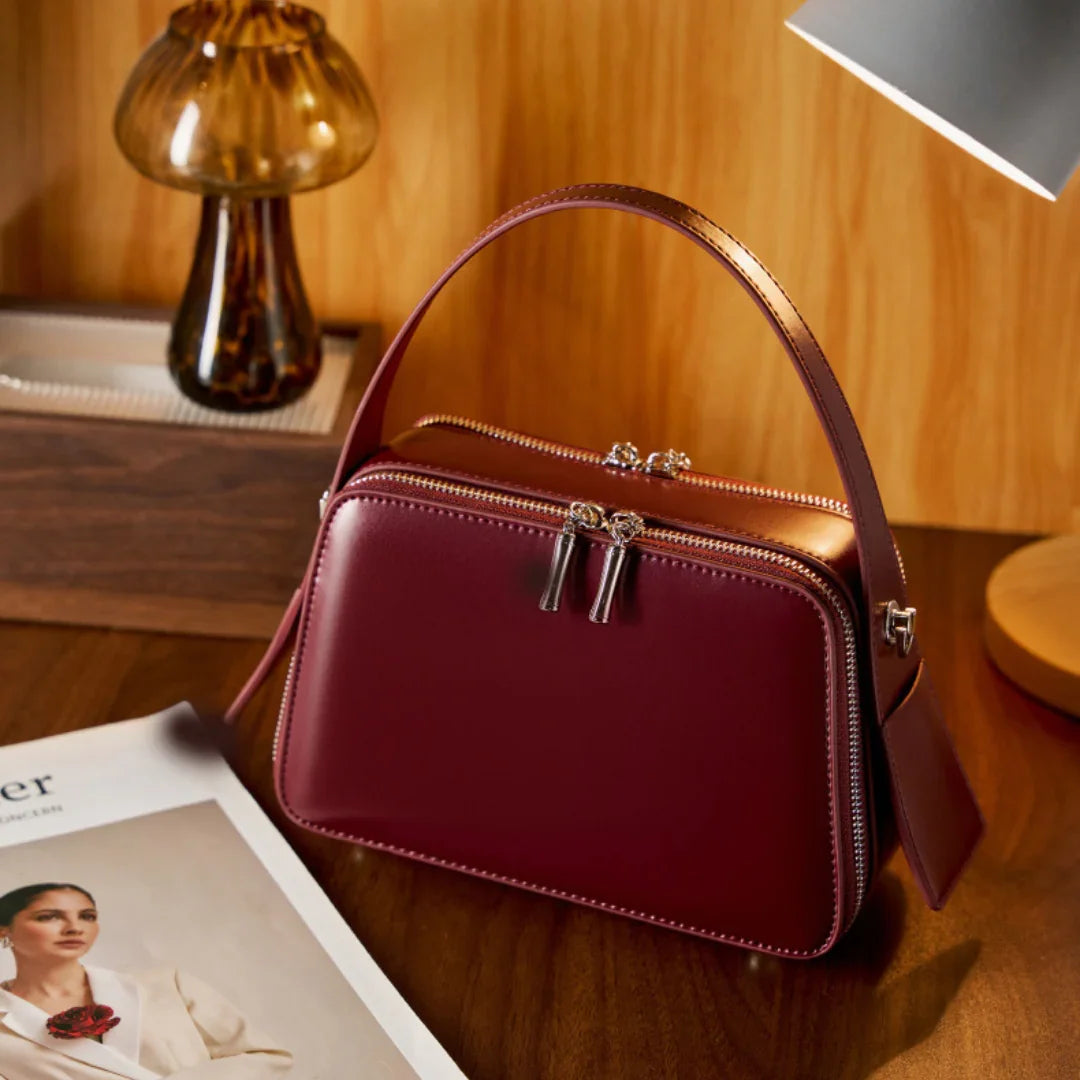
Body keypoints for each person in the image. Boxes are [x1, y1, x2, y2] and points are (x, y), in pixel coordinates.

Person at [0, 882, 293, 1079]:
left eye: (87, 916)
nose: (74, 927)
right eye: (49, 917)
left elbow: (269, 1059)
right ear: (5, 931)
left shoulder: (167, 985)